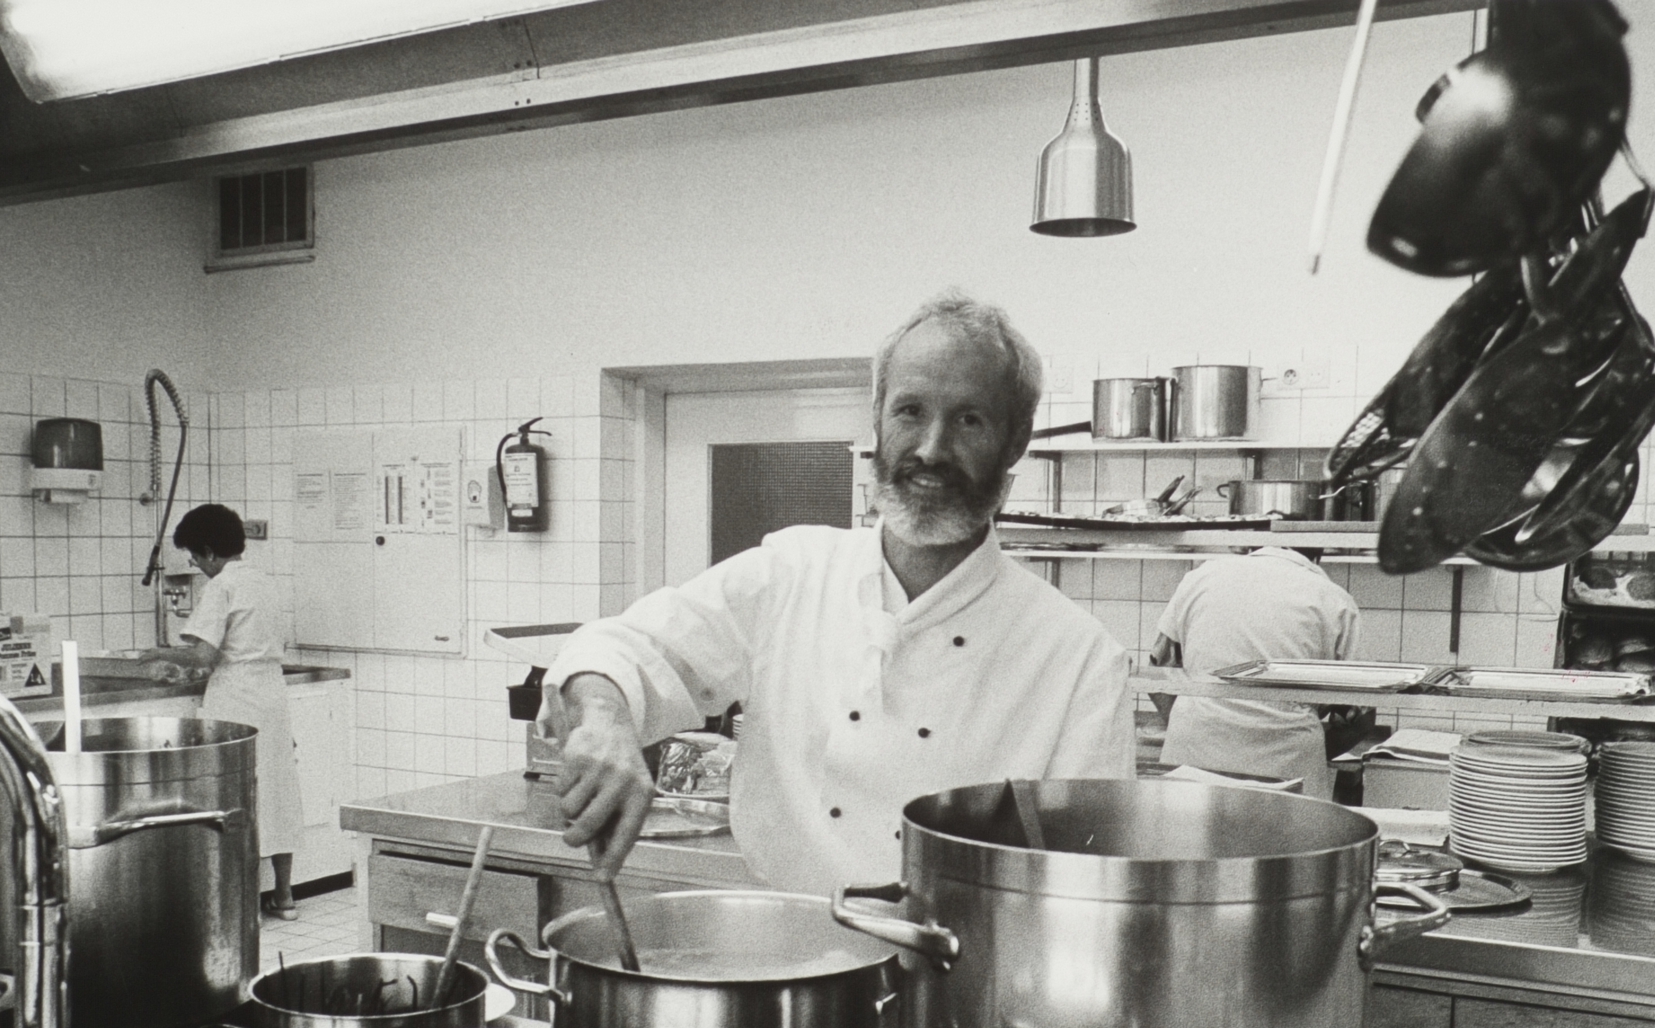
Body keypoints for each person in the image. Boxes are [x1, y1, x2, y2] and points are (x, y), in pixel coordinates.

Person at [541, 291, 1134, 896]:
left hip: (966, 951)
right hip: (783, 943)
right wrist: (605, 719)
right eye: (910, 411)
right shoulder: (791, 574)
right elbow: (625, 645)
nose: (931, 448)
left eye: (969, 420)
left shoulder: (1079, 659)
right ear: (877, 417)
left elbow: (1091, 884)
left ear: (1016, 441)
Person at [141, 503, 307, 919]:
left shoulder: (222, 586)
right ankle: (284, 896)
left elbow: (203, 656)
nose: (196, 565)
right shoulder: (265, 581)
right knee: (279, 792)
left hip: (236, 697)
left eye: (195, 557)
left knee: (236, 795)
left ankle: (238, 902)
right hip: (272, 695)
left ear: (211, 551)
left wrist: (156, 656)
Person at [1147, 547, 1359, 800]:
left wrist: (1197, 722)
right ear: (1318, 555)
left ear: (1251, 546)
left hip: (1194, 752)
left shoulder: (1200, 577)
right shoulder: (1335, 599)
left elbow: (1158, 670)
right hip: (1288, 763)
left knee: (1189, 824)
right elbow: (1358, 718)